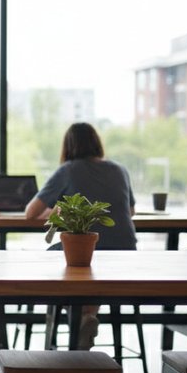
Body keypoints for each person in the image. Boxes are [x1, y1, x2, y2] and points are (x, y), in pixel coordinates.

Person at [23, 122, 137, 350]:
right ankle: (87, 316)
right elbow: (130, 211)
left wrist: (58, 209)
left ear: (68, 147)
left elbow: (31, 213)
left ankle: (80, 318)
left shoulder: (68, 170)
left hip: (88, 250)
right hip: (126, 252)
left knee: (58, 260)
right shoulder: (119, 169)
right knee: (90, 264)